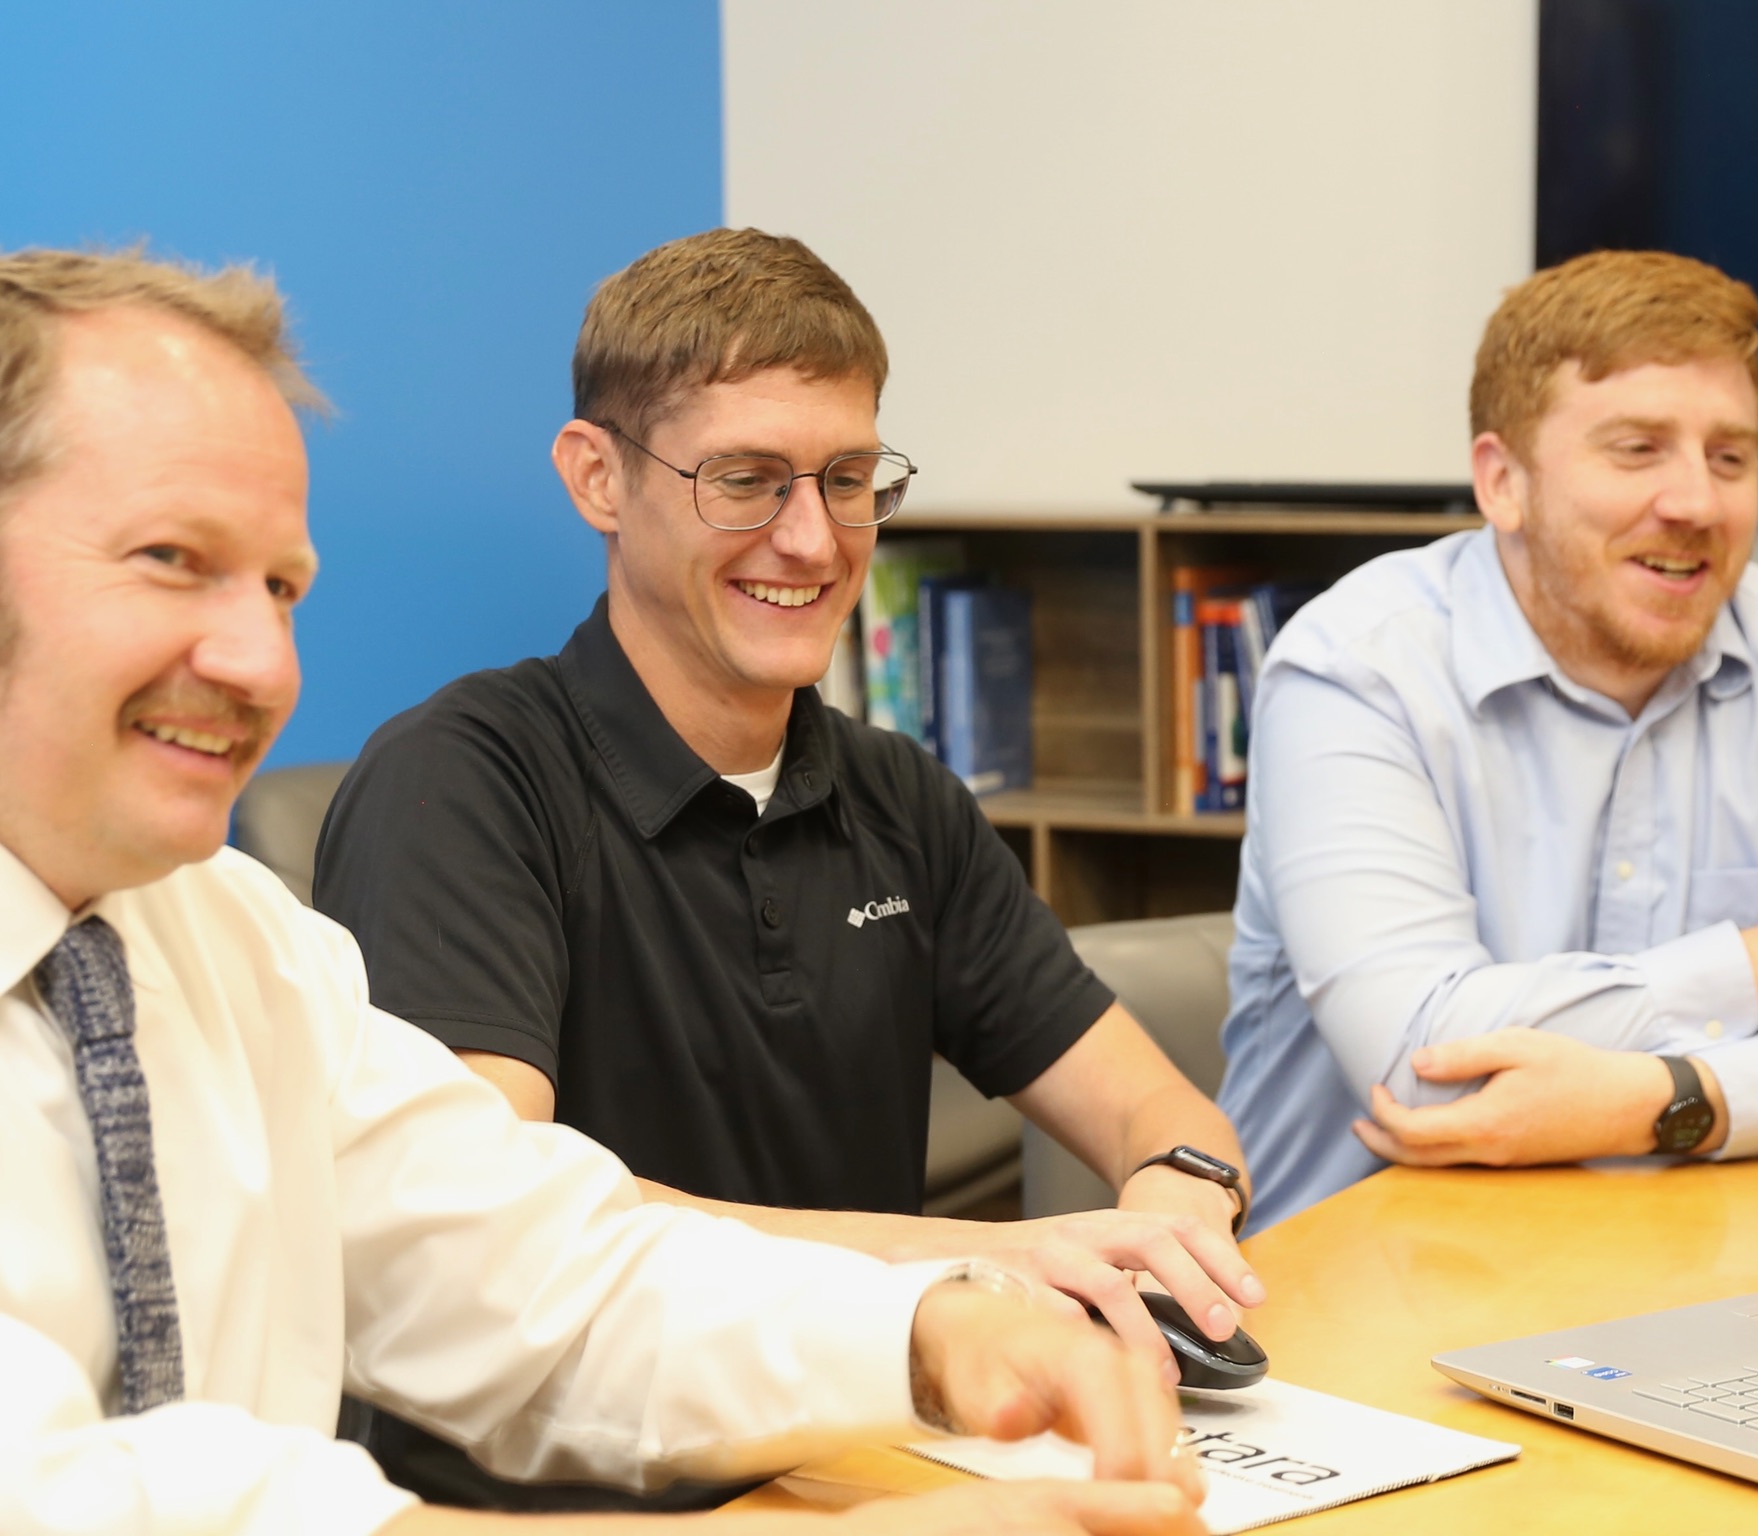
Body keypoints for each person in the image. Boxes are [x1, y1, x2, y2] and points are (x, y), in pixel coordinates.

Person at [0, 246, 1206, 1536]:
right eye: (171, 558)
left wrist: (928, 1333)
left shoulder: (234, 943)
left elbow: (532, 1268)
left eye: (282, 586)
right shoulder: (467, 777)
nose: (263, 662)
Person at [311, 230, 1260, 1508]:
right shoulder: (461, 781)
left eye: (849, 480)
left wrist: (1177, 1204)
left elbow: (1160, 1111)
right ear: (597, 476)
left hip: (865, 1467)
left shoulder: (899, 797)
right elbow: (500, 1225)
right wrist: (967, 1278)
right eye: (747, 481)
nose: (813, 541)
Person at [1216, 250, 1758, 1233]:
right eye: (1637, 449)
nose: (1696, 503)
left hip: (1697, 1262)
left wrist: (1663, 1102)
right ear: (1503, 483)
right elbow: (1424, 1066)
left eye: (1730, 458)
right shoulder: (1356, 671)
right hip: (1362, 1269)